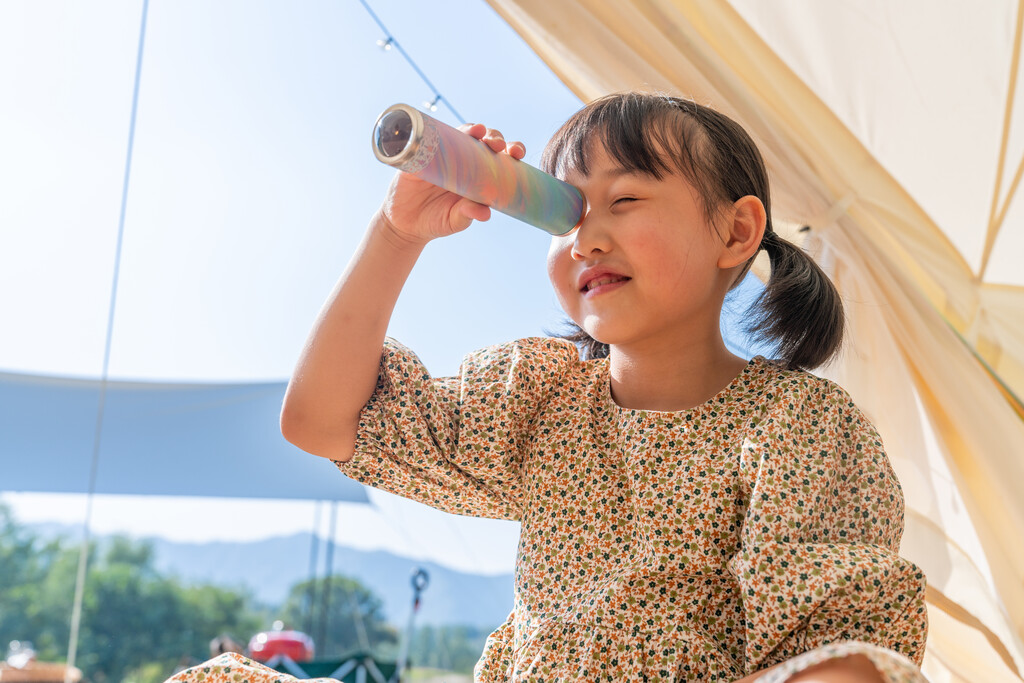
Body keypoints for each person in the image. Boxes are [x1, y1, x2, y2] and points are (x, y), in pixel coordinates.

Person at [277, 92, 928, 681]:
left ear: (735, 231)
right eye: (565, 214)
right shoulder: (538, 398)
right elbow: (321, 420)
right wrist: (397, 232)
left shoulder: (795, 422)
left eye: (625, 201)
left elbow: (840, 651)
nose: (586, 238)